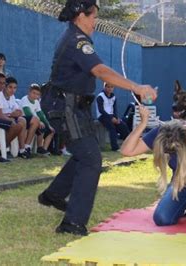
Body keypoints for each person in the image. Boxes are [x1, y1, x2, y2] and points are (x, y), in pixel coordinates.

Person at [37, 0, 157, 236]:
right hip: (65, 107)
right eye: (93, 17)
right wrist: (136, 87)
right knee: (91, 159)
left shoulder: (79, 38)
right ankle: (71, 223)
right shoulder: (77, 41)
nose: (95, 22)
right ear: (81, 15)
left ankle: (54, 195)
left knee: (86, 153)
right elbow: (101, 71)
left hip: (74, 107)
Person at [20, 83, 55, 156]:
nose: (35, 95)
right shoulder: (24, 99)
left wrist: (48, 125)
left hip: (34, 121)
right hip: (25, 121)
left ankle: (41, 149)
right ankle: (27, 147)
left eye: (37, 94)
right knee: (37, 121)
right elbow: (27, 113)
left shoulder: (36, 102)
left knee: (51, 130)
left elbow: (41, 114)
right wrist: (39, 121)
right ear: (29, 92)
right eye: (33, 93)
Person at [96, 82, 129, 151]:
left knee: (123, 126)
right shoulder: (100, 96)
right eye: (108, 87)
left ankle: (128, 144)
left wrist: (116, 118)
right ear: (104, 87)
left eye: (111, 87)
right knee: (112, 128)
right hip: (102, 116)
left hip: (111, 116)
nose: (110, 89)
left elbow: (114, 109)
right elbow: (101, 110)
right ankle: (115, 148)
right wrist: (111, 118)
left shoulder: (113, 97)